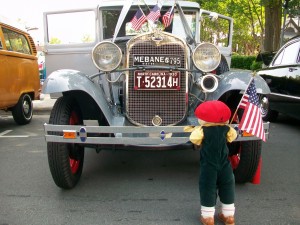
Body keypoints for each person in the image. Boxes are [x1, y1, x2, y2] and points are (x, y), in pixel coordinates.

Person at [185, 100, 237, 225]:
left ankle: (208, 217)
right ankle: (228, 215)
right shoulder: (227, 129)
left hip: (209, 165)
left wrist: (196, 129)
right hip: (225, 164)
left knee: (208, 187)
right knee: (227, 186)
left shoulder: (202, 130)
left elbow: (194, 139)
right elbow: (233, 136)